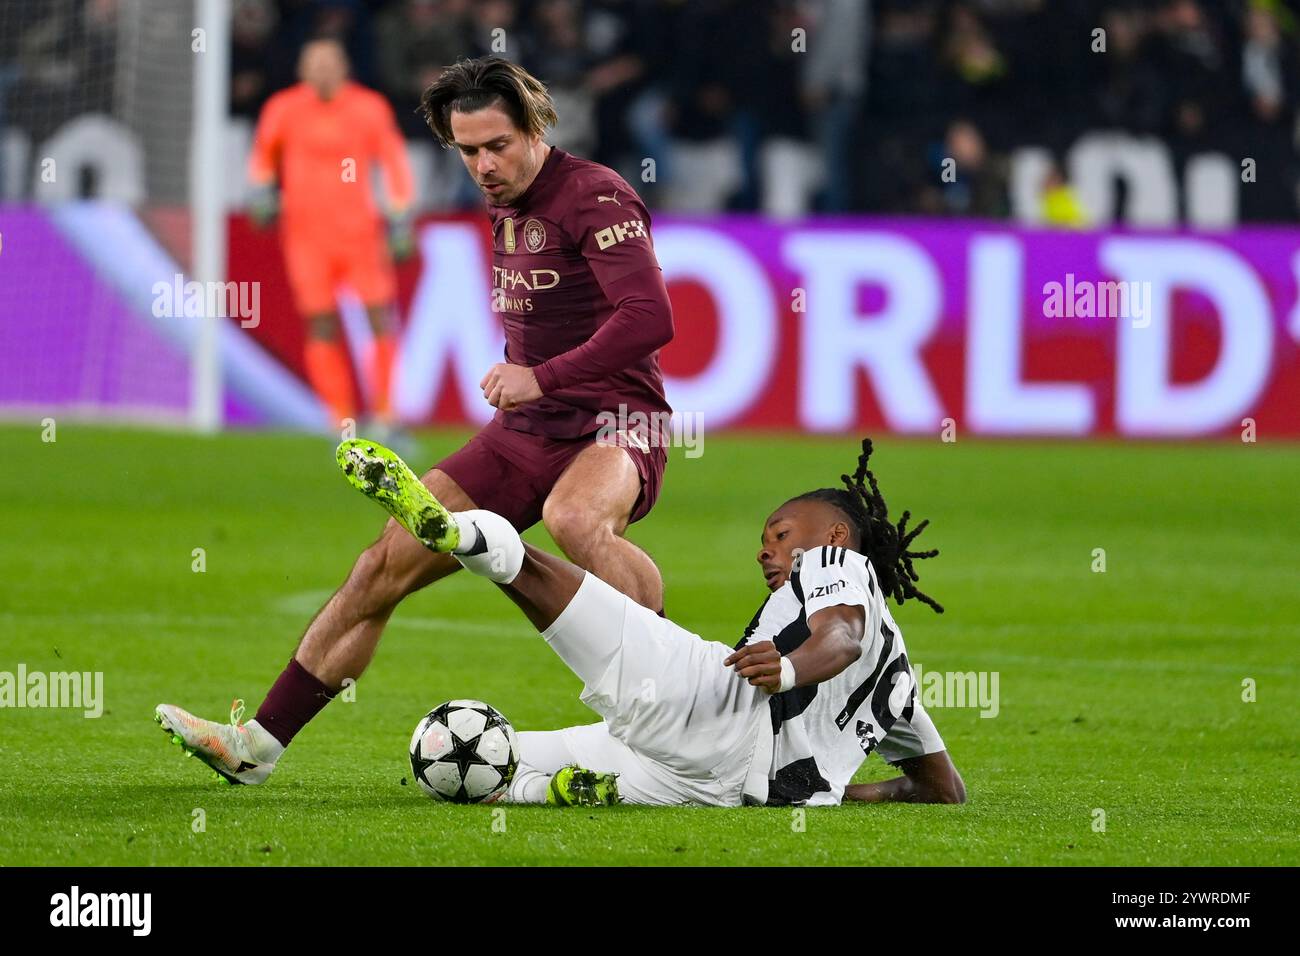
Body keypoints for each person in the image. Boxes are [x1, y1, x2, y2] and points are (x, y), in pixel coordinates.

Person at [156, 56, 675, 784]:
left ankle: (672, 697)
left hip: (621, 421)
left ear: (532, 130)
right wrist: (533, 382)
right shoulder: (504, 201)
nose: (484, 165)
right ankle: (256, 747)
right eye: (468, 151)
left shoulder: (596, 196)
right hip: (527, 432)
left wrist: (540, 375)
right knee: (381, 567)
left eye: (497, 145)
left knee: (577, 520)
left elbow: (650, 317)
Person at [333, 437, 965, 808]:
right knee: (493, 762)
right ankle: (546, 790)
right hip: (719, 788)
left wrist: (793, 666)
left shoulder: (835, 562)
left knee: (525, 566)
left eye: (779, 534)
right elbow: (943, 790)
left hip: (712, 708)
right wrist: (843, 787)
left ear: (832, 536)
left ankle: (458, 531)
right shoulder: (900, 682)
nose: (765, 550)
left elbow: (843, 635)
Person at [248, 37, 415, 430]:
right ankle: (339, 419)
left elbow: (394, 164)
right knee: (321, 323)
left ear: (344, 67)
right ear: (302, 70)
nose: (322, 71)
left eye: (329, 63)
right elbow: (262, 158)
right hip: (306, 237)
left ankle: (387, 414)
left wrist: (401, 217)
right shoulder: (283, 108)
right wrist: (260, 192)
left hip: (359, 234)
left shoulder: (368, 107)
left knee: (378, 318)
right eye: (314, 64)